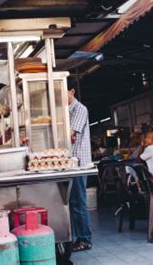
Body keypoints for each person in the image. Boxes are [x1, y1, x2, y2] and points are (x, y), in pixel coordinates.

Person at [67, 80, 92, 252]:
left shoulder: (80, 109)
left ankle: (84, 239)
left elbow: (70, 135)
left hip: (79, 164)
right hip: (70, 163)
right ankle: (77, 237)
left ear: (72, 91)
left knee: (78, 202)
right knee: (72, 202)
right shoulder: (66, 111)